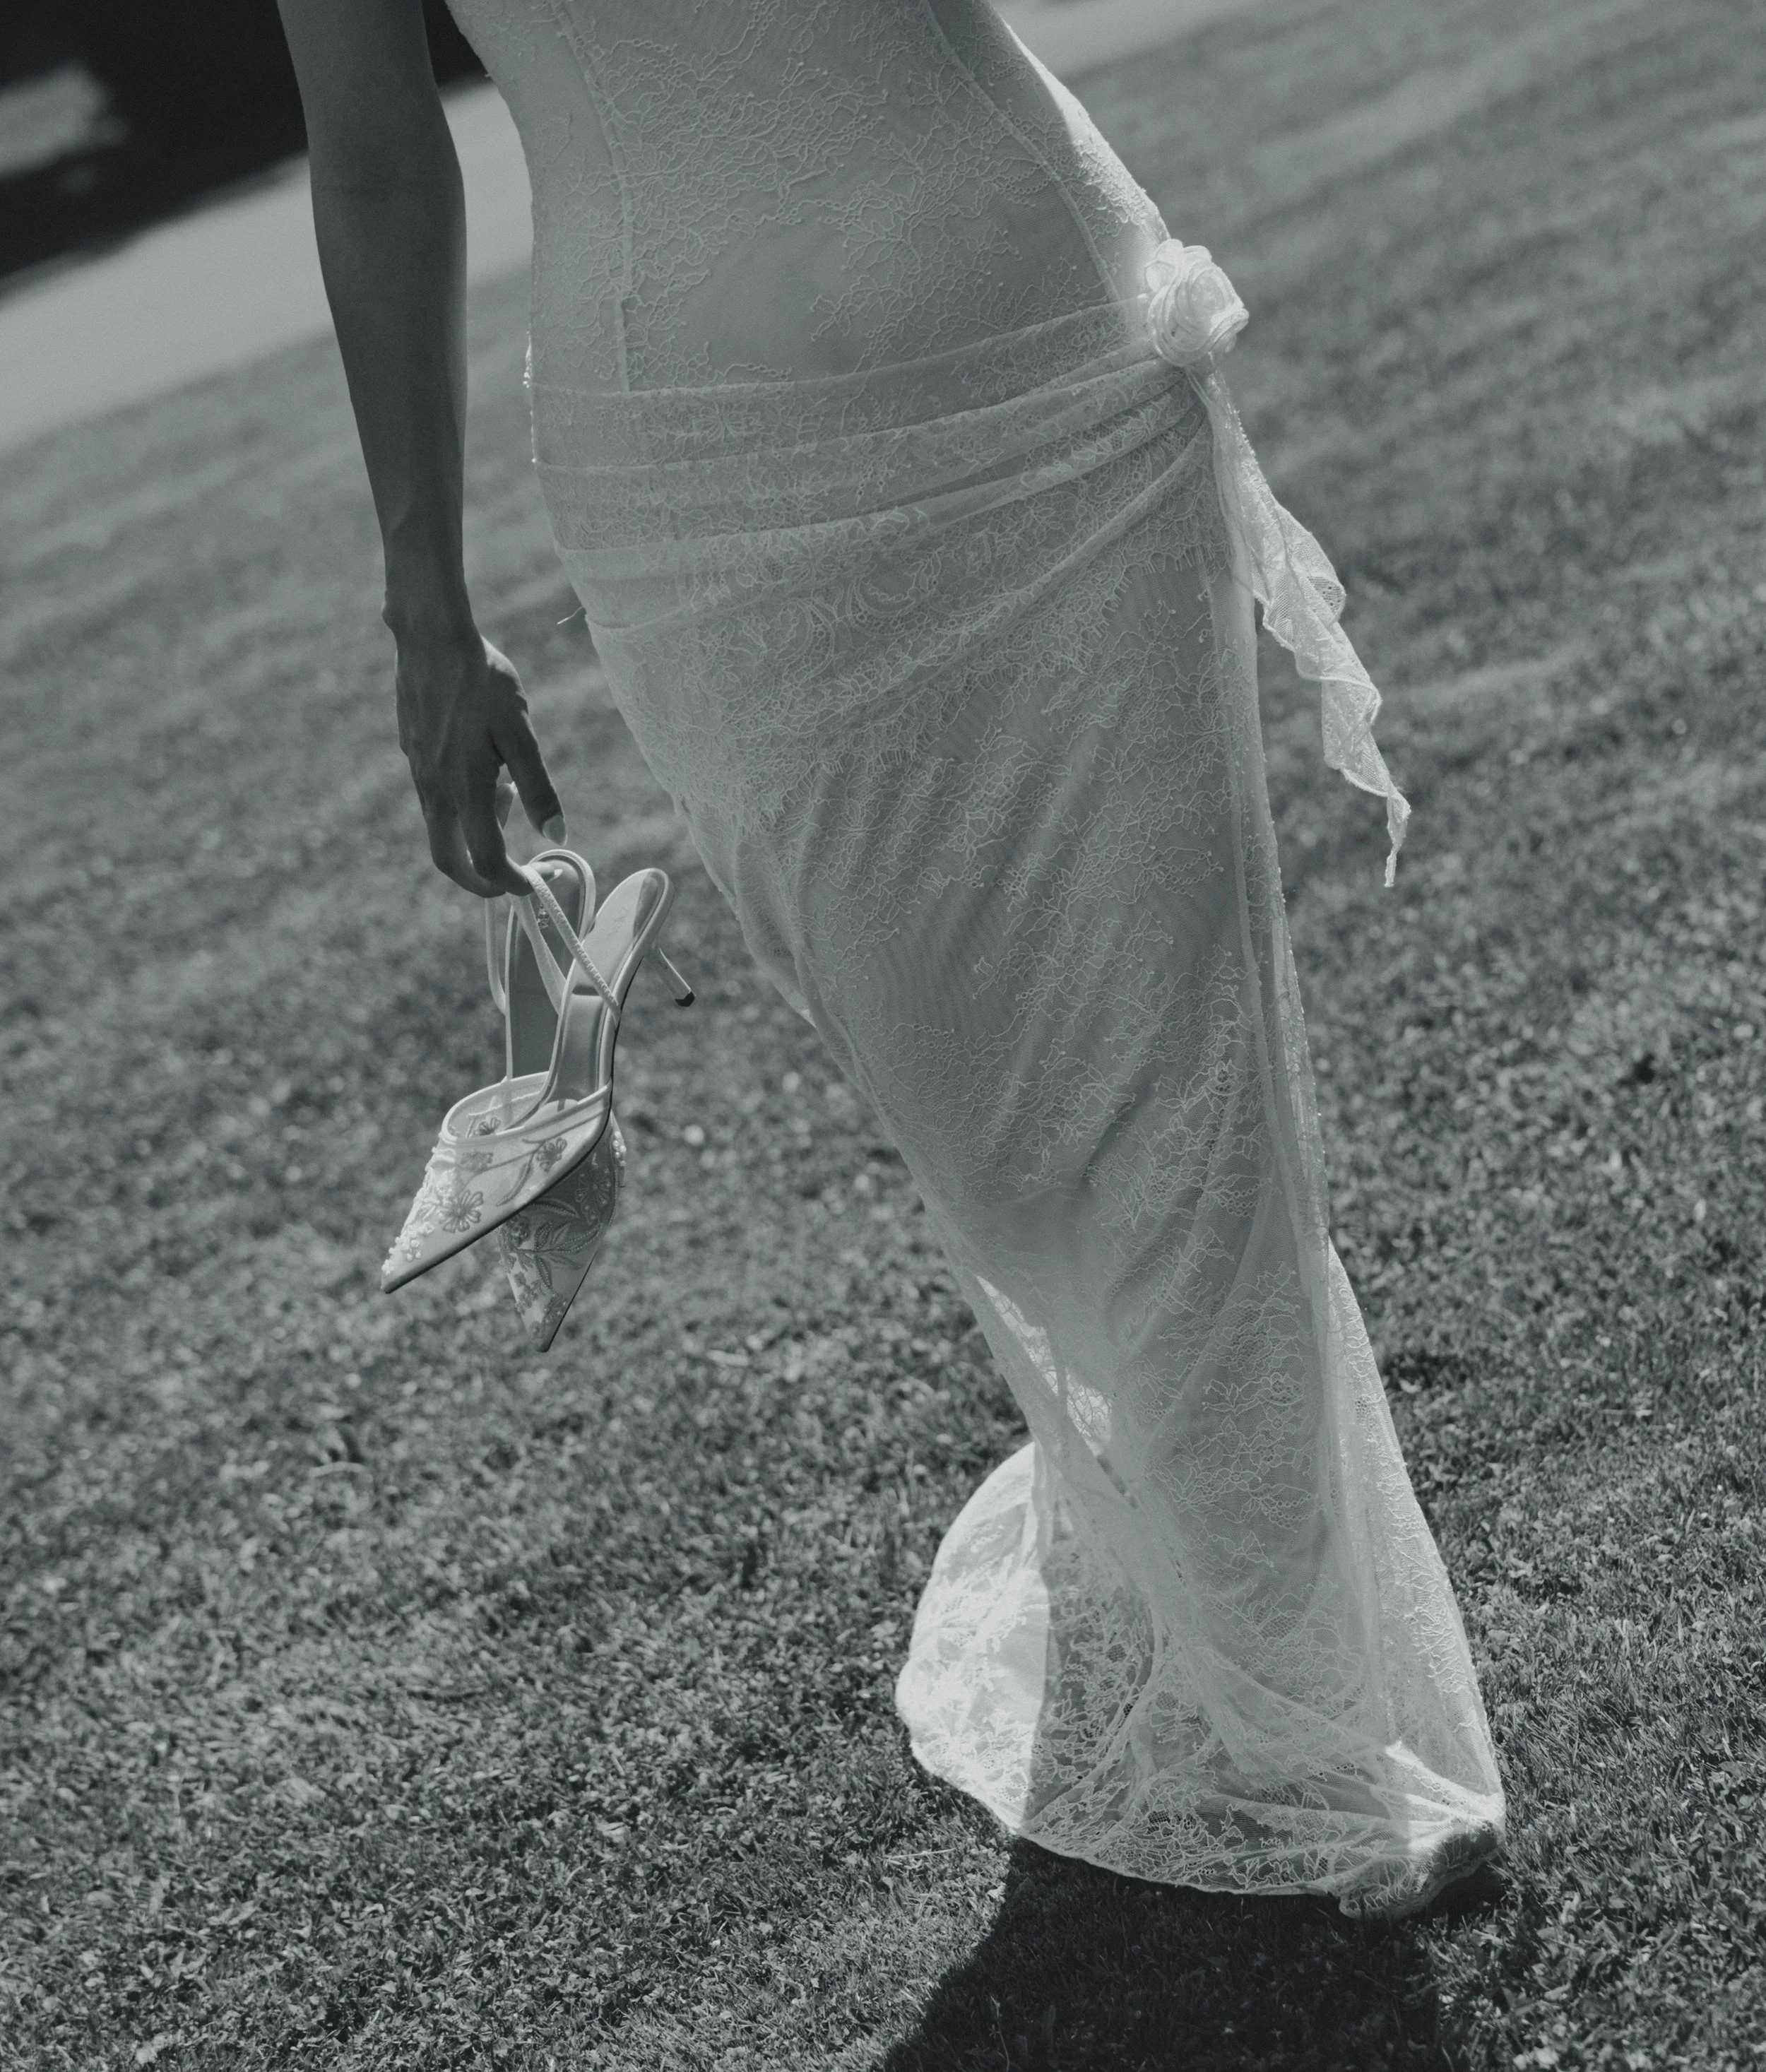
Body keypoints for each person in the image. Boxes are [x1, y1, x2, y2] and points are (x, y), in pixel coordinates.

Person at [277, 0, 1505, 1918]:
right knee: (983, 1123)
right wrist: (426, 610)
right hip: (693, 469)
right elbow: (371, 154)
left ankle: (1324, 1726)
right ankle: (1158, 1546)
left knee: (1175, 1061)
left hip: (1040, 354)